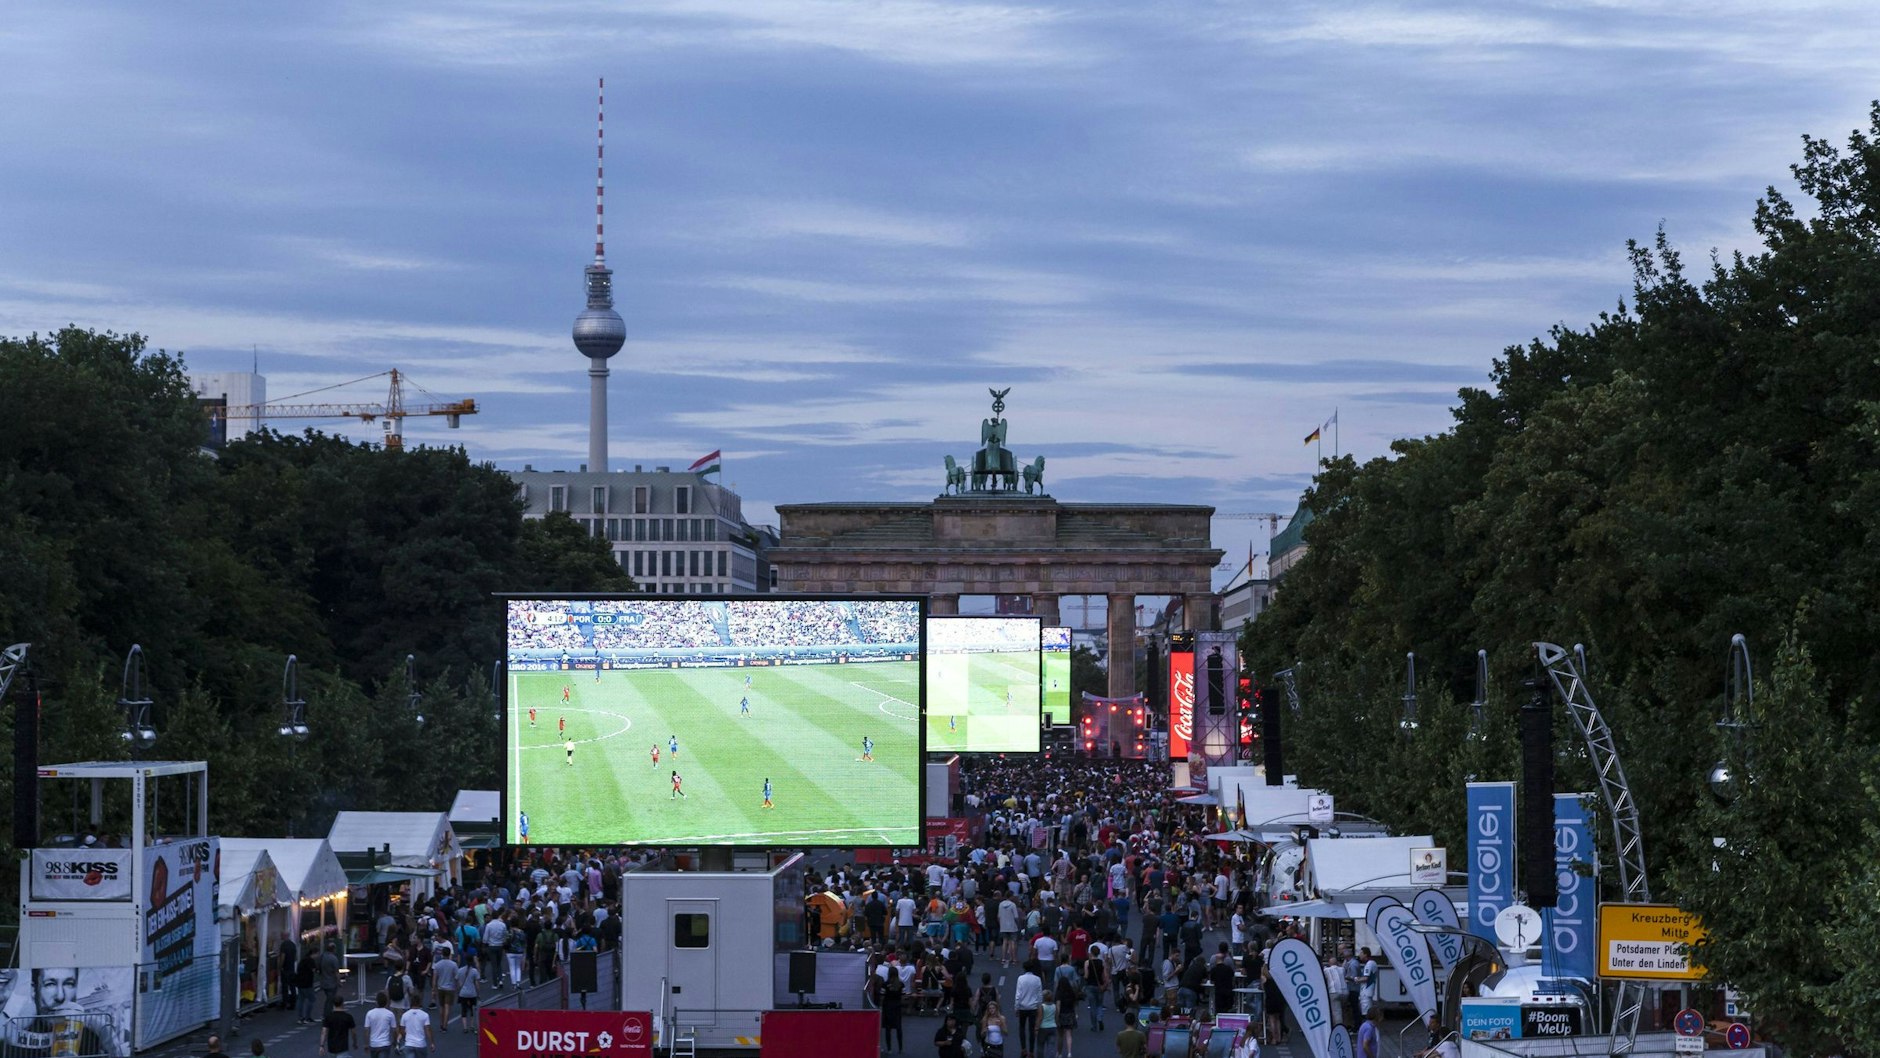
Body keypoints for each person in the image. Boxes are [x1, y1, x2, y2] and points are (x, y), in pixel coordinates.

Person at [1014, 959, 1043, 1058]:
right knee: (1032, 1029)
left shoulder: (1020, 978)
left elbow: (1018, 994)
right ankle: (1031, 1051)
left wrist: (1016, 1007)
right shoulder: (1037, 979)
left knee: (1021, 1028)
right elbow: (1039, 994)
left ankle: (1023, 1049)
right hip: (1033, 1007)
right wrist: (1039, 1006)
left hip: (1022, 1006)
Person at [429, 944, 460, 1031]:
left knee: (441, 1006)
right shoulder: (453, 965)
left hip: (440, 988)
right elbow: (456, 977)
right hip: (450, 988)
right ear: (449, 954)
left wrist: (433, 989)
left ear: (442, 954)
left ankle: (441, 1022)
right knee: (447, 1006)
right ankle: (445, 1025)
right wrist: (458, 987)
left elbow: (434, 978)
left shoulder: (438, 965)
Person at [880, 963, 905, 1055]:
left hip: (887, 1007)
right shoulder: (901, 985)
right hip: (897, 1007)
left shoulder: (885, 984)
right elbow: (903, 996)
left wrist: (881, 1006)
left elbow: (882, 996)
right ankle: (900, 1048)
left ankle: (889, 1049)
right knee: (899, 1028)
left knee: (888, 1029)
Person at [363, 993, 397, 1058]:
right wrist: (394, 1041)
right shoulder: (390, 1014)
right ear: (386, 1002)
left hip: (374, 1044)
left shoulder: (369, 1013)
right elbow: (394, 1030)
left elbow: (366, 1030)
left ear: (376, 1002)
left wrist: (366, 1044)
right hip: (385, 1044)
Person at [455, 959, 481, 1033]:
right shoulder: (474, 971)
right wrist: (478, 994)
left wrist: (458, 991)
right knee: (472, 1009)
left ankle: (465, 1027)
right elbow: (477, 984)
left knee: (464, 1010)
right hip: (472, 993)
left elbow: (457, 982)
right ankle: (472, 1025)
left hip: (463, 993)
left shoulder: (460, 970)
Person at [294, 949, 319, 1023]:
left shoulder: (303, 960)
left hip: (300, 982)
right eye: (317, 954)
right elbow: (314, 970)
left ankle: (300, 1017)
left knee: (301, 999)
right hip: (307, 982)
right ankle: (307, 1016)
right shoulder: (310, 961)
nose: (317, 956)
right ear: (313, 953)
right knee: (312, 999)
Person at [1356, 947, 1379, 1019]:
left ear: (1365, 954)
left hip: (1366, 991)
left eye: (1361, 953)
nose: (1359, 955)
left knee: (1366, 1013)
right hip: (1368, 991)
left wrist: (1356, 979)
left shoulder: (1369, 964)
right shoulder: (1372, 963)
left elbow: (1366, 978)